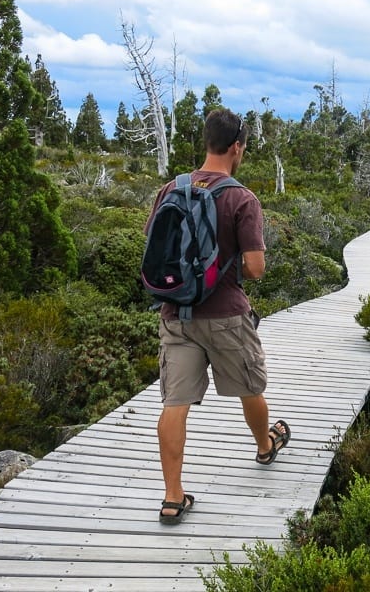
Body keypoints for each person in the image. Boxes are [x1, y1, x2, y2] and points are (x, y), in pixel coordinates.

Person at [144, 108, 290, 525]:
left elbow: (157, 251)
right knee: (249, 386)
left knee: (175, 403)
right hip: (225, 314)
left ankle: (173, 497)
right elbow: (257, 268)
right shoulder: (242, 198)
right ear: (237, 147)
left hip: (175, 313)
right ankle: (265, 446)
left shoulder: (171, 189)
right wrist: (223, 269)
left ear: (207, 142)